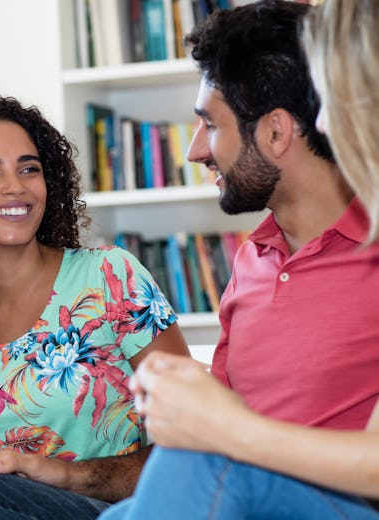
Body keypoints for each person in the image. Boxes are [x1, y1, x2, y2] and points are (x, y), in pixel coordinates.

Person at [98, 0, 379, 518]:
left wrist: (225, 429)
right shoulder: (251, 261)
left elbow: (222, 440)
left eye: (209, 124)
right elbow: (216, 421)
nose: (194, 152)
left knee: (200, 467)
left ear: (275, 133)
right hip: (239, 492)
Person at [0, 95, 190, 519]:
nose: (15, 186)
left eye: (29, 168)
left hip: (128, 511)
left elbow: (192, 446)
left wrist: (56, 474)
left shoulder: (110, 277)